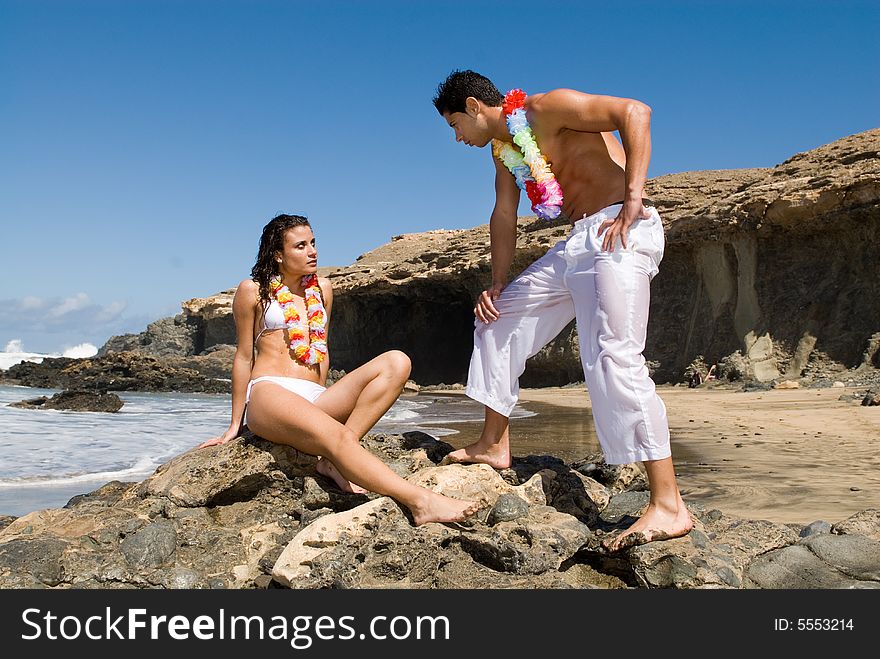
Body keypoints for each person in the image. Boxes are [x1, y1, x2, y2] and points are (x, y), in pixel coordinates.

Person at [432, 70, 693, 549]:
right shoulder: (503, 151)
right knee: (498, 316)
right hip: (579, 243)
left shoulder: (545, 107)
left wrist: (634, 196)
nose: (456, 137)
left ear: (472, 106)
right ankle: (493, 444)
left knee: (615, 356)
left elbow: (635, 111)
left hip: (621, 230)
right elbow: (504, 215)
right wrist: (496, 284)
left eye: (453, 125)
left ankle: (668, 504)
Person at [199, 213, 478, 526]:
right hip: (269, 392)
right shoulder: (254, 290)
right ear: (279, 254)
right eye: (301, 246)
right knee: (336, 437)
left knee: (398, 361)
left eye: (313, 243)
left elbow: (322, 348)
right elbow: (243, 357)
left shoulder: (323, 290)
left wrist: (324, 396)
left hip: (314, 396)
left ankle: (333, 460)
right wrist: (235, 424)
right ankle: (420, 502)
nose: (313, 251)